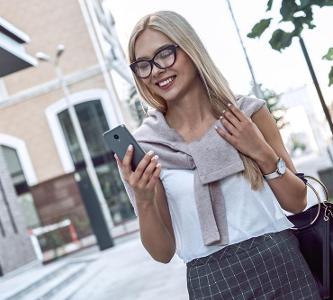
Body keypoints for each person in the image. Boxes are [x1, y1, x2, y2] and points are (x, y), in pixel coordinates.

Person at [116, 10, 320, 300]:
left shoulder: (248, 114)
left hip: (281, 265)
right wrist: (145, 200)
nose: (157, 70)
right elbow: (161, 253)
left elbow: (297, 201)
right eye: (144, 65)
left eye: (165, 54)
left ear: (190, 49)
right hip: (211, 283)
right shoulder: (147, 147)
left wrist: (260, 152)